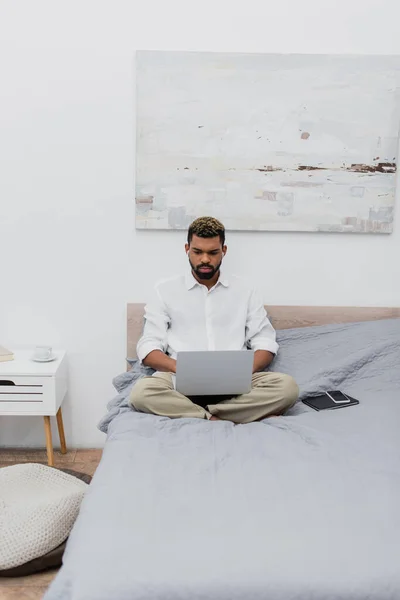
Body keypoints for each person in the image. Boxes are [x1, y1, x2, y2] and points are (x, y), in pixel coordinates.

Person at [129, 216, 299, 423]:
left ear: (223, 251)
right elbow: (148, 347)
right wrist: (180, 368)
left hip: (236, 382)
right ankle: (222, 415)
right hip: (180, 379)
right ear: (187, 249)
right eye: (197, 252)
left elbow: (264, 341)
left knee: (287, 388)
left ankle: (201, 412)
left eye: (213, 252)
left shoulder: (246, 290)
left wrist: (239, 372)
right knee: (141, 393)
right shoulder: (164, 290)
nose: (205, 260)